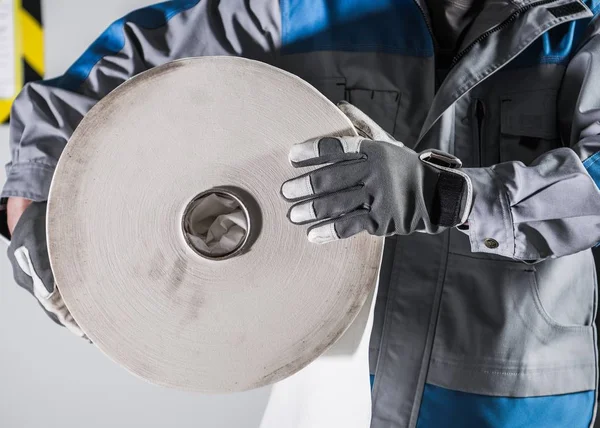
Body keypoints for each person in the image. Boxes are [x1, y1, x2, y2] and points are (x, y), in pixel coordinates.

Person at [3, 0, 600, 426]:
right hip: (326, 403)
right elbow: (76, 94)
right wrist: (35, 218)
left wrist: (456, 195)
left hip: (518, 406)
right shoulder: (297, 8)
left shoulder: (584, 25)